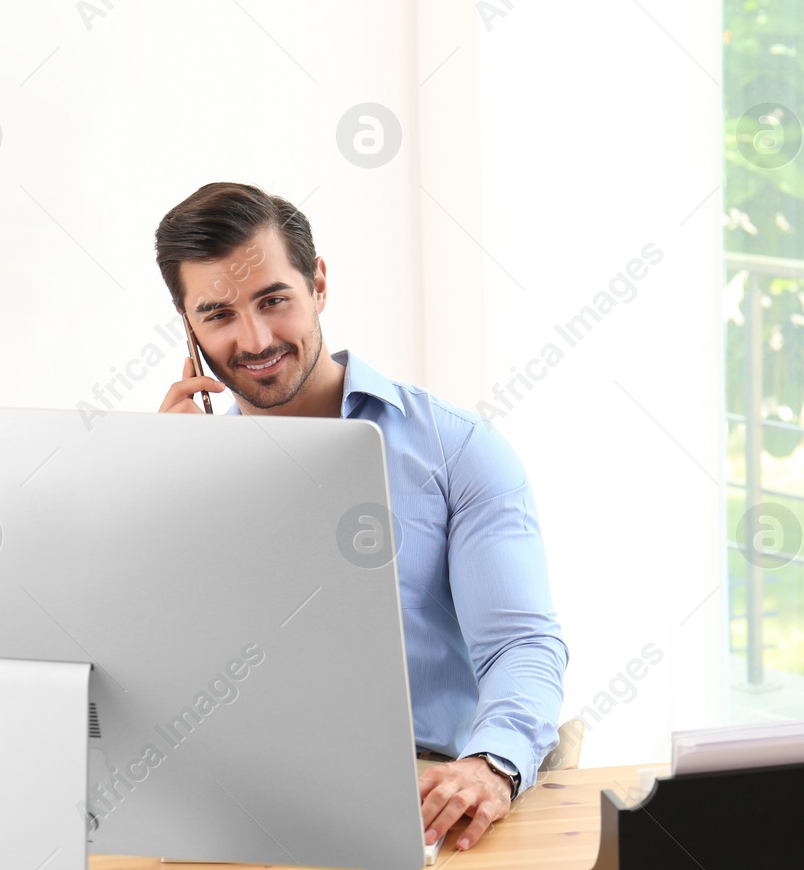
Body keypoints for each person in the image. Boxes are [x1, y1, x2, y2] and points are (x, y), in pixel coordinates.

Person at [153, 182, 567, 853]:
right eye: (219, 314)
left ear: (318, 283)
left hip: (421, 786)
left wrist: (490, 763)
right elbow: (152, 674)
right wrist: (169, 494)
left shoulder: (455, 449)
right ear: (189, 325)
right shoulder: (176, 468)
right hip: (238, 802)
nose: (255, 338)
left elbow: (522, 644)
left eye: (273, 300)